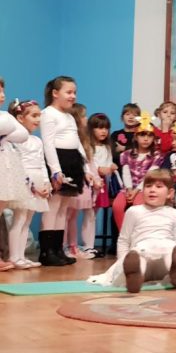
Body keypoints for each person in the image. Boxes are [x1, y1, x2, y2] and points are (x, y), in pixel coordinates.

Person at [88, 169, 176, 293]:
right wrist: (122, 261)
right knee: (138, 258)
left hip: (165, 257)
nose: (152, 190)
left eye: (158, 187)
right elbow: (124, 240)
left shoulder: (174, 213)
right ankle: (133, 276)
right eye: (148, 186)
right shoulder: (134, 211)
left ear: (170, 193)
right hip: (142, 251)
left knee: (171, 253)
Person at [40, 76, 97, 266]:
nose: (73, 96)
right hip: (58, 160)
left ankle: (58, 249)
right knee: (53, 207)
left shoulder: (69, 116)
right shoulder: (48, 114)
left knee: (63, 208)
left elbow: (78, 143)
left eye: (75, 92)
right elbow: (48, 144)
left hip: (72, 161)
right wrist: (55, 171)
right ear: (55, 93)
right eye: (69, 92)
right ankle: (47, 251)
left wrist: (86, 168)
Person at [7, 99, 49, 269]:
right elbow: (18, 164)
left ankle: (21, 256)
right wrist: (32, 185)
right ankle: (13, 257)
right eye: (34, 115)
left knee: (27, 221)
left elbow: (41, 163)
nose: (38, 119)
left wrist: (45, 182)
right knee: (19, 219)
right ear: (20, 118)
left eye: (39, 115)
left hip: (37, 180)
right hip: (24, 181)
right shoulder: (16, 140)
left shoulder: (37, 141)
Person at [63, 103, 101, 259]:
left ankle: (72, 246)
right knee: (65, 215)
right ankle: (63, 246)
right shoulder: (70, 139)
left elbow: (89, 162)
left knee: (73, 215)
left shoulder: (85, 140)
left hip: (83, 181)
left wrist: (95, 177)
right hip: (73, 178)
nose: (86, 119)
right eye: (84, 116)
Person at [113, 111, 163, 230]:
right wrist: (129, 189)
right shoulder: (126, 154)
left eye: (149, 136)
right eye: (142, 135)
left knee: (138, 206)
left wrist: (136, 191)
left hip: (144, 188)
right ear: (136, 137)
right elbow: (126, 173)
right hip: (128, 188)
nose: (146, 139)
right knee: (117, 206)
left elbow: (150, 175)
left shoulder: (156, 156)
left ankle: (138, 234)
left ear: (153, 138)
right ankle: (124, 234)